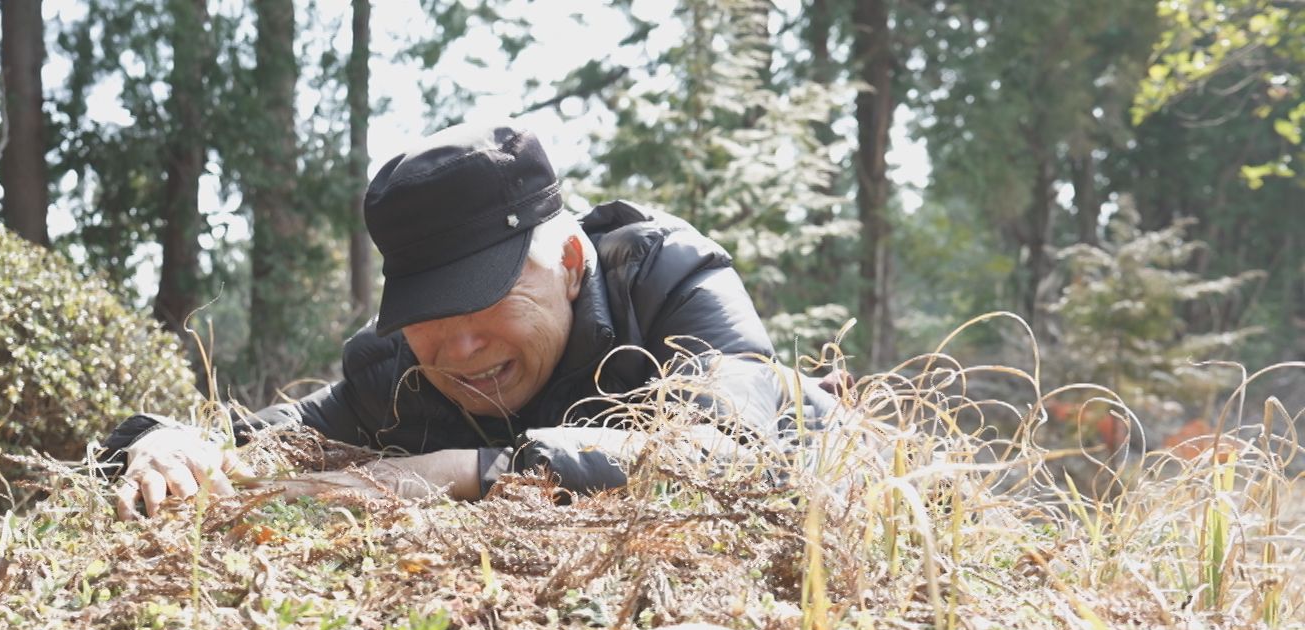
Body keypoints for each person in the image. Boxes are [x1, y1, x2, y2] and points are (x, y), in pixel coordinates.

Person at [103, 119, 847, 519]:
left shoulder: (666, 276)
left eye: (488, 294)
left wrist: (467, 471)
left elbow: (732, 459)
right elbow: (258, 435)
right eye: (429, 308)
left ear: (570, 260)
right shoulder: (401, 370)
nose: (457, 346)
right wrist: (164, 440)